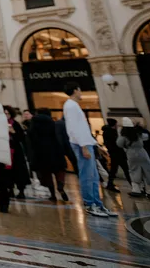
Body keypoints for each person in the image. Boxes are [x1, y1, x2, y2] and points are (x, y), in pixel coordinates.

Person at [63, 83, 116, 217]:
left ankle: (97, 204)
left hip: (86, 143)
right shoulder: (70, 106)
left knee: (93, 176)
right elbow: (74, 128)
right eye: (80, 90)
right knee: (87, 175)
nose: (81, 92)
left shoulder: (73, 105)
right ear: (75, 90)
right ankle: (90, 204)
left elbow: (83, 129)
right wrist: (84, 146)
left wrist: (96, 145)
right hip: (81, 144)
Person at [28, 109, 68, 202]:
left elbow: (31, 140)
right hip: (55, 151)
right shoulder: (53, 123)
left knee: (46, 174)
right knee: (59, 170)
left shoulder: (34, 124)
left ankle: (52, 195)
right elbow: (58, 137)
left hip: (41, 153)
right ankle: (60, 186)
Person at [116, 118, 150, 198]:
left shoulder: (124, 135)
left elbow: (119, 144)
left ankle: (136, 190)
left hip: (131, 154)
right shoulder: (138, 133)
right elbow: (146, 137)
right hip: (142, 152)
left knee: (134, 171)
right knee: (147, 171)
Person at [5, 106, 29, 199]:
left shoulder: (15, 124)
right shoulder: (0, 124)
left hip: (16, 151)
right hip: (6, 151)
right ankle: (10, 189)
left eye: (8, 113)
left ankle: (21, 190)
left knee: (19, 171)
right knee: (7, 172)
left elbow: (21, 137)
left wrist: (13, 132)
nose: (6, 115)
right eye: (5, 113)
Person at [102, 118, 130, 193]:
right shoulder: (111, 132)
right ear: (114, 124)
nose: (117, 125)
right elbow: (117, 143)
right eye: (116, 124)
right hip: (118, 154)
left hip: (113, 154)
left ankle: (110, 184)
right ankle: (134, 186)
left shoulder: (106, 132)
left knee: (114, 170)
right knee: (126, 169)